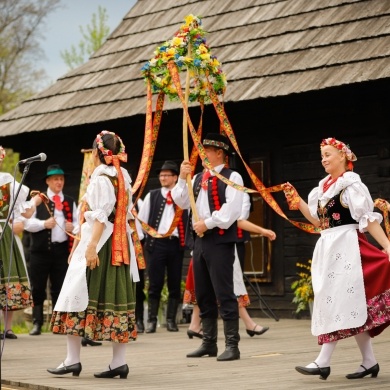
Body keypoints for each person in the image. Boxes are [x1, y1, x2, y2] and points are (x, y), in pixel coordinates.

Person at [283, 137, 390, 380]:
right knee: (350, 305)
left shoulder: (351, 185)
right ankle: (369, 361)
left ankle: (323, 361)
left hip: (347, 247)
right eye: (322, 155)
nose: (324, 159)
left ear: (343, 156)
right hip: (328, 248)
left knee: (338, 301)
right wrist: (298, 201)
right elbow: (318, 222)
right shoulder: (322, 188)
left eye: (328, 154)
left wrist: (386, 245)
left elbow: (368, 219)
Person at [47, 130, 139, 379]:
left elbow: (100, 215)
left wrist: (89, 246)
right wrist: (79, 243)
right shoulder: (122, 176)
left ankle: (72, 360)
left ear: (98, 152)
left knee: (74, 292)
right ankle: (118, 362)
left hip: (102, 242)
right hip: (119, 243)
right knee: (116, 294)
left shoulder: (101, 178)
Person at [171, 132, 244, 361]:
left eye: (207, 151)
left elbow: (231, 211)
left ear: (219, 153)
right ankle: (209, 343)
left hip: (219, 240)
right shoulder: (198, 177)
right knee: (203, 293)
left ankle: (232, 345)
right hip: (200, 241)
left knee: (224, 291)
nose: (202, 155)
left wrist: (207, 223)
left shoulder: (233, 177)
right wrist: (182, 178)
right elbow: (181, 202)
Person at [185, 209, 276, 339]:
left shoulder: (228, 197)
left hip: (222, 246)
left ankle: (197, 326)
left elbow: (236, 219)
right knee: (221, 288)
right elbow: (236, 220)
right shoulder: (206, 195)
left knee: (221, 288)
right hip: (215, 248)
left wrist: (262, 231)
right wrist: (262, 231)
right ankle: (242, 328)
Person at [23, 164, 79, 336]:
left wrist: (73, 226)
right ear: (48, 181)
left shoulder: (69, 200)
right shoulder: (37, 200)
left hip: (61, 250)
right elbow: (26, 223)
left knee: (60, 287)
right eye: (56, 179)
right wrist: (43, 224)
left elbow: (78, 223)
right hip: (40, 251)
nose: (59, 182)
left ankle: (57, 323)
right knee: (37, 287)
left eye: (61, 179)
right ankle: (37, 323)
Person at [138, 160, 188, 333]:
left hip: (175, 244)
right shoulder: (152, 195)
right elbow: (142, 220)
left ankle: (171, 320)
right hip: (156, 244)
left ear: (175, 177)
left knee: (174, 282)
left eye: (167, 175)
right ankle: (151, 320)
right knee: (154, 283)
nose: (163, 178)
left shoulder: (183, 195)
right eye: (161, 175)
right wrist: (146, 240)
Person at [0, 146, 40, 340]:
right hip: (5, 231)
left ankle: (7, 328)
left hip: (5, 233)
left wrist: (34, 203)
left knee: (8, 278)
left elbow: (24, 212)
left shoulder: (8, 180)